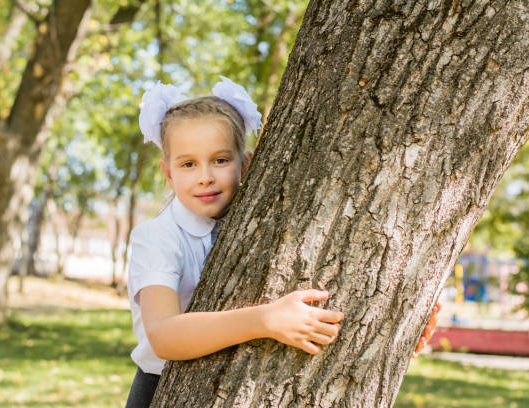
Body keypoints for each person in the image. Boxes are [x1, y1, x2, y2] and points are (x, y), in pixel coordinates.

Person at [126, 77, 439, 407]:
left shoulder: (260, 223)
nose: (205, 176)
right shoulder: (157, 237)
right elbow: (163, 336)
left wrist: (395, 328)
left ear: (245, 164)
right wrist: (265, 320)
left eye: (220, 160)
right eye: (188, 164)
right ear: (168, 173)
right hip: (160, 389)